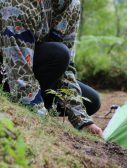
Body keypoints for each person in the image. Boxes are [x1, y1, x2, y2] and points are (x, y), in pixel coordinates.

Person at [0, 0, 103, 135]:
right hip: (7, 69)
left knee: (91, 101)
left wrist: (83, 120)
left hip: (31, 67)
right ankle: (21, 102)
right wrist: (41, 117)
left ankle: (32, 100)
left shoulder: (72, 6)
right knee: (58, 53)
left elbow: (66, 67)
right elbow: (17, 68)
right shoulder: (21, 3)